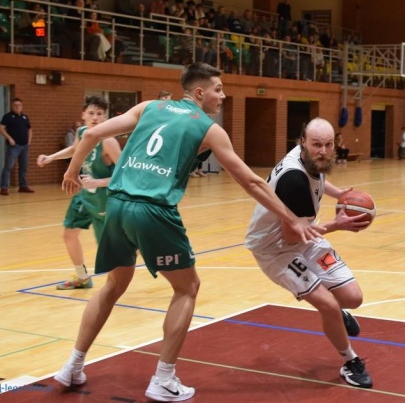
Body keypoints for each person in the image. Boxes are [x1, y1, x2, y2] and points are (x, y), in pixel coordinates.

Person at [55, 63, 321, 402]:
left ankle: (72, 366)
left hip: (117, 205)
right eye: (218, 89)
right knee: (187, 287)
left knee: (113, 285)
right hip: (153, 210)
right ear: (199, 93)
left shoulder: (149, 106)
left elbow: (91, 134)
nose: (223, 96)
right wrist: (293, 218)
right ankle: (163, 378)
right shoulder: (209, 129)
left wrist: (72, 171)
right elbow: (252, 181)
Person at [245, 118, 373, 389]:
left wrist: (340, 193)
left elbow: (318, 180)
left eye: (328, 145)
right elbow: (293, 235)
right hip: (275, 249)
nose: (323, 151)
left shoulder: (307, 159)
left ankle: (339, 315)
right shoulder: (294, 181)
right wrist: (337, 225)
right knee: (326, 303)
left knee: (353, 298)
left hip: (304, 233)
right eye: (316, 145)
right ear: (303, 142)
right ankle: (350, 360)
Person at [37, 96, 121, 290]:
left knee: (114, 250)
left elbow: (126, 175)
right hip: (85, 195)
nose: (95, 117)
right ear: (83, 115)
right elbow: (75, 150)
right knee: (69, 234)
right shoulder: (82, 132)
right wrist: (51, 158)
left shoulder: (108, 142)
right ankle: (82, 277)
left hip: (105, 199)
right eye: (91, 113)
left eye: (99, 114)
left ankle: (156, 252)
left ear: (105, 118)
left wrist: (98, 182)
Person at [0, 98, 34, 195]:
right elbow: (1, 128)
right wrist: (9, 138)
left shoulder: (24, 117)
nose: (17, 107)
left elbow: (30, 129)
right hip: (14, 146)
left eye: (19, 105)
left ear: (22, 106)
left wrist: (29, 140)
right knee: (8, 166)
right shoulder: (8, 116)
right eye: (15, 105)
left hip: (24, 146)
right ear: (12, 106)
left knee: (24, 166)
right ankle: (4, 187)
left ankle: (23, 186)